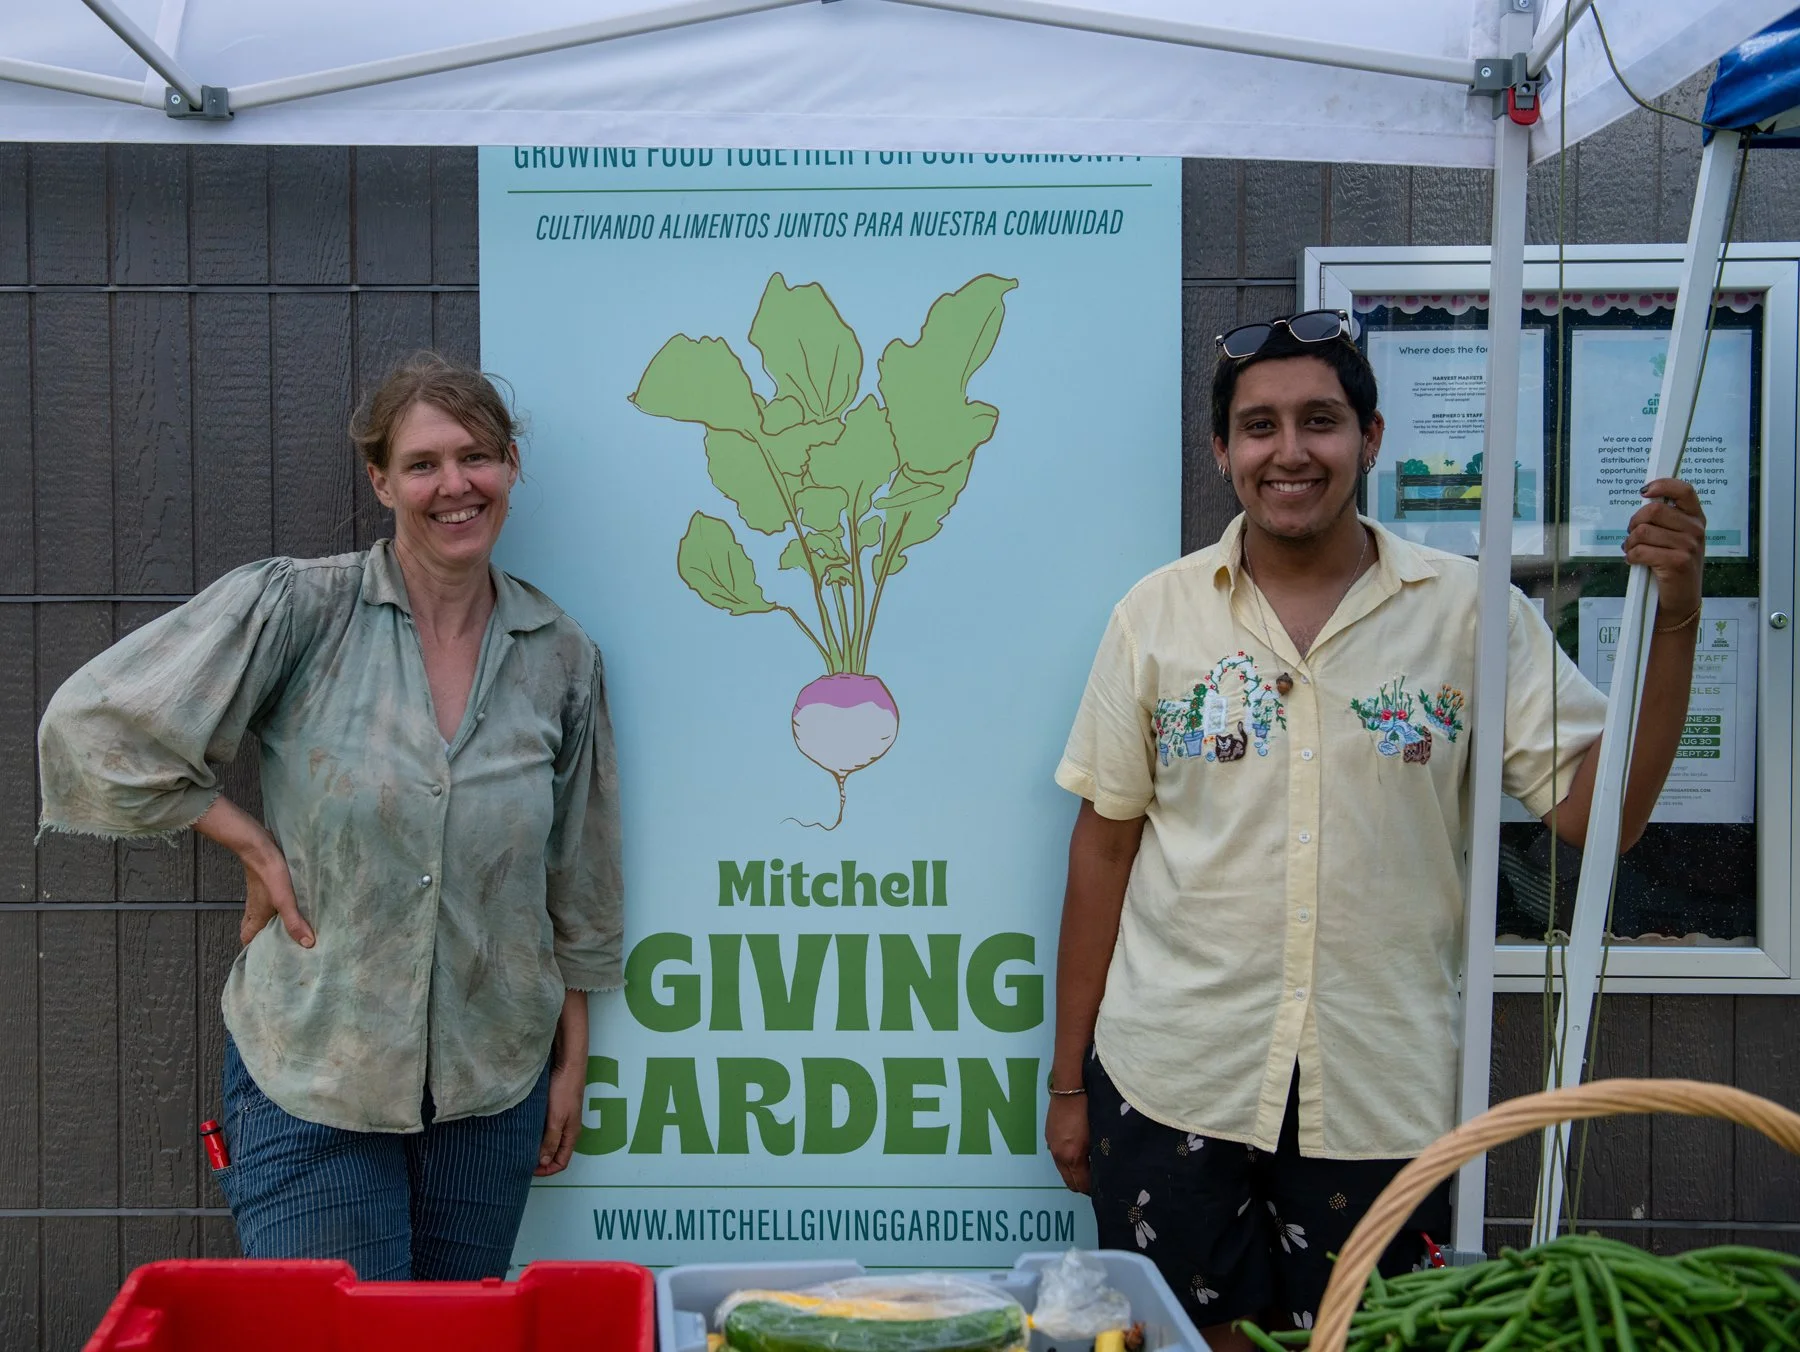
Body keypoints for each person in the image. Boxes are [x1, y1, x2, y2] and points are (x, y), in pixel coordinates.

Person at [1044, 312, 1704, 1345]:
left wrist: (1675, 618)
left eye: (1321, 420)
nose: (1291, 450)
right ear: (1223, 452)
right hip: (1174, 1075)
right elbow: (1105, 846)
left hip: (1382, 1085)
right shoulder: (1155, 616)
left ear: (1372, 436)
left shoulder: (1468, 613)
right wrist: (1068, 1078)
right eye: (1259, 426)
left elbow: (1604, 814)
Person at [37, 353, 622, 1281]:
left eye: (477, 456)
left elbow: (575, 868)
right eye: (424, 463)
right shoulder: (303, 609)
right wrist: (247, 838)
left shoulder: (559, 655)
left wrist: (570, 1060)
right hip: (314, 1075)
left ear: (511, 467)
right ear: (381, 480)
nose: (454, 485)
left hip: (491, 1088)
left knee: (451, 1351)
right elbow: (96, 726)